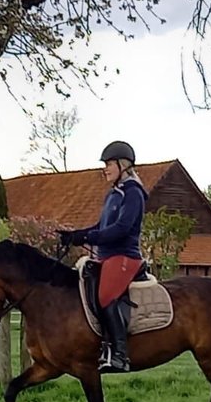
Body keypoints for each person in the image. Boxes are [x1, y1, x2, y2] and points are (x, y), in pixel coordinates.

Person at [59, 140, 149, 373]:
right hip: (105, 256)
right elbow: (102, 225)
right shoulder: (113, 194)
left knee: (106, 295)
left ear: (123, 165)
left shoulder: (133, 193)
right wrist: (77, 235)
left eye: (109, 164)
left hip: (124, 257)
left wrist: (89, 238)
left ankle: (120, 355)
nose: (105, 169)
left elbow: (121, 229)